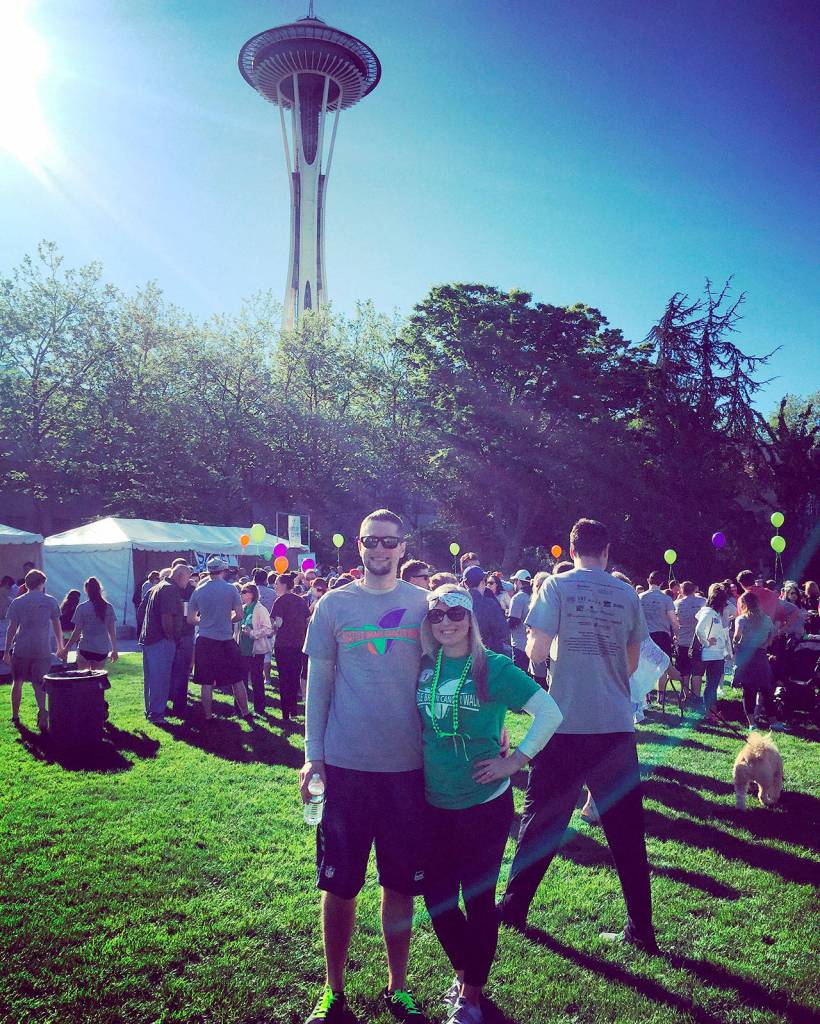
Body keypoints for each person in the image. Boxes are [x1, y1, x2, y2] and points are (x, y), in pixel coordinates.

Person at [498, 519, 657, 952]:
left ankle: (512, 911)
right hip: (615, 726)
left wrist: (550, 666)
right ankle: (642, 930)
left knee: (541, 822)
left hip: (564, 725)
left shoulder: (556, 586)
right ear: (606, 552)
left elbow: (534, 651)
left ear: (571, 551)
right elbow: (631, 661)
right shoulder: (627, 592)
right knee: (626, 831)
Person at [300, 509, 431, 1024]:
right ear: (359, 545)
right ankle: (333, 992)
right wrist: (314, 757)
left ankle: (397, 986)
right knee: (339, 884)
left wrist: (490, 723)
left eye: (389, 542)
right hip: (347, 767)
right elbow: (319, 686)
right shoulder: (333, 606)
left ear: (402, 547)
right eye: (371, 541)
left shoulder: (425, 606)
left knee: (400, 884)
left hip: (408, 770)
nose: (380, 550)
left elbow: (458, 668)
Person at [418, 584, 562, 1024]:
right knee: (437, 898)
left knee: (477, 900)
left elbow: (550, 712)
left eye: (455, 614)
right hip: (432, 802)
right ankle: (464, 975)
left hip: (484, 803)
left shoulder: (492, 667)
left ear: (471, 619)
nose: (446, 622)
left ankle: (472, 997)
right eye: (437, 614)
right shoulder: (425, 666)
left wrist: (515, 760)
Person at [187, 557, 251, 724]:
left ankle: (208, 716)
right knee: (237, 679)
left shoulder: (198, 591)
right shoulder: (231, 589)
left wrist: (206, 621)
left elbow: (190, 619)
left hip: (205, 639)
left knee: (206, 682)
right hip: (225, 639)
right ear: (223, 571)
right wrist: (226, 619)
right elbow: (239, 615)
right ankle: (245, 713)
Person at [4, 569, 63, 729]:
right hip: (41, 649)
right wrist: (60, 646)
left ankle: (15, 716)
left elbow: (12, 628)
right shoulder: (50, 601)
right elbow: (58, 626)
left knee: (17, 683)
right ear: (41, 584)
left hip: (21, 648)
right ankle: (42, 712)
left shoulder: (18, 602)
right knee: (39, 683)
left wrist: (7, 650)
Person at [140, 564, 190, 724]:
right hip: (161, 640)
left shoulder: (159, 586)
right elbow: (167, 617)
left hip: (149, 639)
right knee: (160, 678)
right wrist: (171, 637)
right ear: (180, 576)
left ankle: (151, 711)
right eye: (187, 578)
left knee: (151, 678)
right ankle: (156, 714)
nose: (188, 582)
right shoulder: (170, 589)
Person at [733, 592, 781, 730]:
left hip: (747, 655)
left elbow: (737, 636)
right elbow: (773, 634)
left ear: (744, 604)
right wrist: (766, 643)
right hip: (761, 655)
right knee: (766, 690)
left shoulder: (741, 619)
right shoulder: (766, 619)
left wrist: (737, 646)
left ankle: (752, 723)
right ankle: (773, 721)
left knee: (749, 690)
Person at [271, 573, 311, 721]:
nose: (275, 586)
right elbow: (308, 620)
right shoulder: (300, 601)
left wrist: (273, 627)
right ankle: (293, 710)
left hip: (283, 644)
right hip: (298, 644)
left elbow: (279, 623)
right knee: (294, 677)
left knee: (284, 678)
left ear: (284, 585)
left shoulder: (279, 601)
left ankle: (285, 713)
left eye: (277, 583)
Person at [63, 577, 118, 670]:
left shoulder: (82, 608)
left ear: (86, 590)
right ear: (100, 589)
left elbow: (76, 632)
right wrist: (114, 650)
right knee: (96, 680)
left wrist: (66, 649)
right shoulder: (109, 607)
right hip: (101, 650)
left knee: (83, 680)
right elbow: (112, 631)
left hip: (85, 649)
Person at [694, 584, 729, 724]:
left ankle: (711, 711)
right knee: (711, 685)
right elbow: (698, 629)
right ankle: (709, 713)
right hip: (711, 654)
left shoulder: (713, 613)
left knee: (712, 685)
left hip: (717, 655)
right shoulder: (708, 612)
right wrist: (707, 642)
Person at [640, 571, 678, 700]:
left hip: (645, 635)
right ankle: (661, 696)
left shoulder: (640, 597)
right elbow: (673, 620)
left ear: (648, 581)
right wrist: (677, 634)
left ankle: (647, 696)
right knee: (662, 665)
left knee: (645, 665)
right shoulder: (666, 598)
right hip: (662, 635)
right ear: (662, 583)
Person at [238, 583, 273, 715]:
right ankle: (241, 707)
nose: (241, 594)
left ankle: (260, 708)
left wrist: (252, 633)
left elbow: (268, 629)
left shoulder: (260, 609)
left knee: (257, 679)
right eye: (241, 591)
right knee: (241, 679)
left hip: (255, 650)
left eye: (244, 591)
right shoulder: (242, 608)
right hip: (242, 649)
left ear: (252, 594)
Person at [462, 566, 510, 657]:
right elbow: (503, 631)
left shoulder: (459, 603)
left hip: (465, 654)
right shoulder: (489, 604)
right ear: (482, 582)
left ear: (465, 584)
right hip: (490, 653)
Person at [169, 567, 197, 717]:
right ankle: (177, 704)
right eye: (187, 577)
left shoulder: (189, 589)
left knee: (178, 670)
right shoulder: (170, 589)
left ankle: (177, 703)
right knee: (178, 670)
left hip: (183, 633)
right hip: (179, 634)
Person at [674, 581, 706, 702]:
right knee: (697, 671)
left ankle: (685, 694)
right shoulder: (703, 601)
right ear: (694, 590)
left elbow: (674, 622)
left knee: (684, 670)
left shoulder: (677, 603)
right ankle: (696, 696)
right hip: (698, 641)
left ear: (682, 591)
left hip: (682, 641)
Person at [508, 570, 533, 673]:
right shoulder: (534, 596)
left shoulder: (518, 598)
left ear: (518, 582)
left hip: (520, 644)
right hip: (532, 643)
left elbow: (513, 622)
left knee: (520, 674)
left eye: (515, 581)